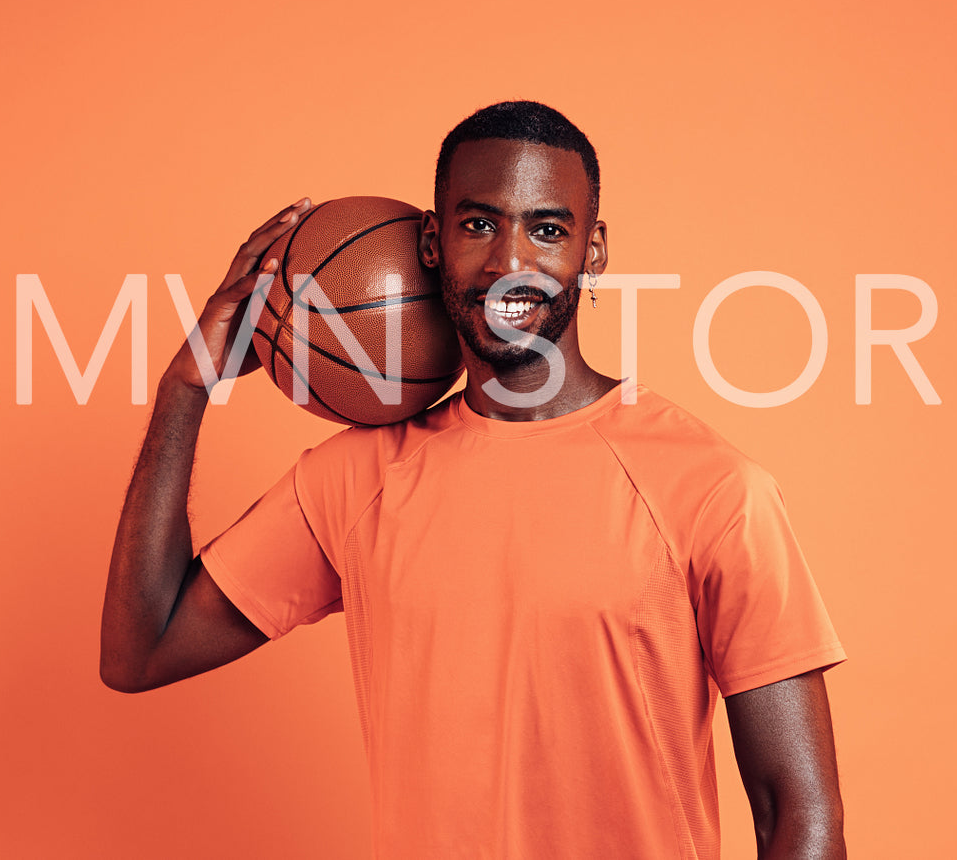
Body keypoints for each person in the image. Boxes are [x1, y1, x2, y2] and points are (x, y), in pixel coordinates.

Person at [101, 101, 847, 859]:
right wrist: (184, 389)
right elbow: (140, 651)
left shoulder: (712, 488)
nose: (507, 262)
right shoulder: (356, 478)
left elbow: (799, 815)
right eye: (478, 224)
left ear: (593, 251)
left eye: (547, 229)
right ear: (432, 240)